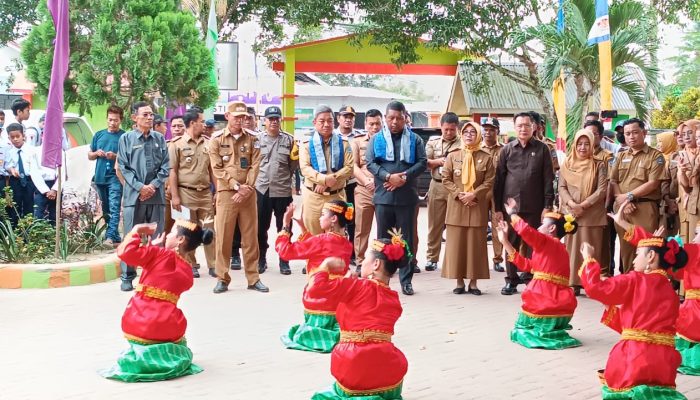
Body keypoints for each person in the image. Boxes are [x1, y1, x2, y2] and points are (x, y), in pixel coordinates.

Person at [100, 220, 212, 382]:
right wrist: (153, 250)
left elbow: (125, 252)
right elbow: (167, 274)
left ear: (180, 239)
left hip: (140, 321)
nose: (167, 235)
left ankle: (144, 358)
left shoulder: (158, 254)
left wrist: (137, 231)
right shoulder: (188, 271)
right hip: (169, 325)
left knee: (140, 326)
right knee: (179, 334)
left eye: (172, 233)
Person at [579, 234, 688, 399]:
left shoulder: (636, 280)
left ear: (651, 256)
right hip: (664, 361)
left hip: (635, 358)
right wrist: (612, 308)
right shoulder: (671, 293)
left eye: (638, 254)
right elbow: (643, 328)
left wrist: (589, 259)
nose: (634, 259)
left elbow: (595, 288)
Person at [309, 234, 410, 400]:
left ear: (376, 264)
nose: (361, 262)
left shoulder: (356, 286)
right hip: (388, 368)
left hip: (353, 365)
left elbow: (315, 289)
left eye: (365, 259)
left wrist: (325, 265)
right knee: (390, 370)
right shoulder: (393, 298)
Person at [496, 198, 581, 349]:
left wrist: (513, 214)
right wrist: (505, 242)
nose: (539, 228)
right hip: (557, 303)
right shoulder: (555, 248)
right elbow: (526, 265)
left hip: (546, 300)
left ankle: (543, 330)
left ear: (551, 228)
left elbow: (526, 232)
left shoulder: (548, 243)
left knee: (521, 331)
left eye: (542, 225)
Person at [366, 101, 427, 296]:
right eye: (390, 118)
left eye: (398, 118)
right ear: (385, 118)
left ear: (405, 118)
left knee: (405, 240)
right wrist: (387, 177)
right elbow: (370, 163)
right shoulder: (376, 139)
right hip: (383, 197)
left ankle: (406, 280)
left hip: (406, 197)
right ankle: (381, 279)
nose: (394, 122)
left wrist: (404, 178)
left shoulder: (415, 139)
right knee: (382, 241)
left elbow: (422, 163)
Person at [276, 201, 353, 353]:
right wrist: (303, 228)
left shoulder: (321, 241)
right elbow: (319, 248)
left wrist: (285, 224)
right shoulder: (346, 243)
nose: (319, 218)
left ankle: (315, 335)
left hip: (319, 298)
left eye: (323, 215)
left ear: (333, 219)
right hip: (338, 300)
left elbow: (285, 251)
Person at [209, 101, 268, 294]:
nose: (240, 121)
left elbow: (256, 164)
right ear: (227, 116)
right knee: (224, 237)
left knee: (250, 237)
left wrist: (247, 188)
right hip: (227, 194)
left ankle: (253, 278)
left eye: (243, 117)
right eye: (236, 117)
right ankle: (222, 278)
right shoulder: (216, 139)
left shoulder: (253, 138)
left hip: (248, 194)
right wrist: (235, 186)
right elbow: (217, 168)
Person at [494, 112, 555, 295]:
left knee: (533, 244)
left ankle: (530, 279)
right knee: (509, 241)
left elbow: (548, 179)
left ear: (534, 127)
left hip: (535, 206)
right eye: (519, 125)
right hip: (511, 207)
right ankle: (511, 280)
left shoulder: (543, 149)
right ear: (515, 127)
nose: (523, 129)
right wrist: (497, 208)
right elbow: (498, 180)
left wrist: (548, 205)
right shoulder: (507, 150)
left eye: (527, 125)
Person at [117, 102, 170, 292]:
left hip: (156, 197)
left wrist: (153, 186)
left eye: (151, 114)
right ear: (134, 118)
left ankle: (155, 275)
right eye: (145, 114)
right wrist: (140, 187)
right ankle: (127, 276)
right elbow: (123, 167)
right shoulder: (126, 139)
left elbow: (166, 167)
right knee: (132, 237)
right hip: (134, 197)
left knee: (157, 237)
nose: (150, 118)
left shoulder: (160, 139)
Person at [441, 121, 494, 295]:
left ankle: (473, 283)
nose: (469, 135)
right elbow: (446, 179)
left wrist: (474, 194)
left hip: (476, 205)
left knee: (475, 246)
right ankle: (458, 281)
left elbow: (489, 181)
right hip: (457, 205)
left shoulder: (486, 157)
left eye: (473, 132)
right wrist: (460, 194)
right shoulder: (453, 155)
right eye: (466, 132)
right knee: (457, 245)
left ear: (479, 135)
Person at [609, 118, 668, 272]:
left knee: (646, 247)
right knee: (626, 250)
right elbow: (613, 181)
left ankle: (646, 287)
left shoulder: (656, 156)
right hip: (623, 208)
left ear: (644, 132)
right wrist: (623, 201)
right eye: (627, 133)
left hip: (645, 208)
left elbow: (653, 183)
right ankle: (629, 283)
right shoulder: (621, 156)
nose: (631, 136)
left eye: (635, 132)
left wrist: (628, 196)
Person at [559, 130, 608, 295]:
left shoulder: (599, 164)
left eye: (587, 143)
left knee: (591, 248)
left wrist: (584, 205)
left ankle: (590, 283)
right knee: (572, 250)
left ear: (593, 144)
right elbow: (561, 187)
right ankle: (573, 282)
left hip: (592, 214)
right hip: (571, 213)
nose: (583, 147)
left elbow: (602, 190)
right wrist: (572, 204)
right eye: (579, 143)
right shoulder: (567, 163)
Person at [168, 110, 216, 278]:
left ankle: (213, 265)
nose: (204, 125)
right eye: (201, 121)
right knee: (187, 232)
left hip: (205, 194)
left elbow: (212, 170)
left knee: (209, 230)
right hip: (185, 193)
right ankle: (191, 264)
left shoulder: (208, 144)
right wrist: (175, 196)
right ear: (192, 123)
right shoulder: (176, 144)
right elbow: (172, 172)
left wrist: (216, 191)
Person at [256, 105, 299, 275]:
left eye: (276, 119)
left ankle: (284, 259)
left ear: (280, 120)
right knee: (261, 227)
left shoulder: (289, 140)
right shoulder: (256, 140)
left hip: (282, 190)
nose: (274, 122)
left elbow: (293, 166)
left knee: (285, 226)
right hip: (262, 189)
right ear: (264, 121)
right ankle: (261, 259)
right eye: (270, 119)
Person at [299, 105, 354, 235]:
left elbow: (349, 167)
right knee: (313, 236)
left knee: (337, 235)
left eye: (330, 121)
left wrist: (331, 180)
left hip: (337, 195)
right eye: (322, 121)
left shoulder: (344, 143)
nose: (326, 124)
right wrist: (323, 180)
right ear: (314, 122)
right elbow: (305, 168)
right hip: (314, 197)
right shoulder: (307, 144)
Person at [424, 112, 461, 272]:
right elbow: (424, 162)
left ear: (457, 128)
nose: (449, 133)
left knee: (455, 225)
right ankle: (432, 258)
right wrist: (438, 162)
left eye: (452, 130)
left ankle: (454, 258)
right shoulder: (433, 142)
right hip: (437, 185)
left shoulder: (463, 143)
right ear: (441, 127)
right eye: (446, 129)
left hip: (455, 187)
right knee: (435, 225)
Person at [351, 109, 382, 272]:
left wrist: (378, 181)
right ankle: (360, 261)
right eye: (371, 124)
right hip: (363, 189)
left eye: (378, 123)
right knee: (362, 227)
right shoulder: (357, 142)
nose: (375, 127)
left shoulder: (387, 140)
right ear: (365, 125)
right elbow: (353, 166)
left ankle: (382, 261)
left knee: (384, 227)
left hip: (384, 188)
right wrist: (367, 181)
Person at [90, 106, 126, 247]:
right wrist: (96, 153)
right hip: (100, 177)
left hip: (116, 177)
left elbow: (129, 158)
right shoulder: (99, 135)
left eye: (115, 120)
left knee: (115, 205)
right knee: (105, 208)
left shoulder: (124, 137)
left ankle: (109, 237)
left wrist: (115, 156)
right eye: (110, 120)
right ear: (107, 119)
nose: (112, 123)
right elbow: (89, 155)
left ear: (120, 120)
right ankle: (115, 235)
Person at [335, 105, 362, 264]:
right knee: (336, 217)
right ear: (338, 118)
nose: (348, 119)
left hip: (352, 184)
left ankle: (351, 253)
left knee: (352, 218)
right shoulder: (331, 135)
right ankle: (335, 250)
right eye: (345, 116)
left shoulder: (359, 137)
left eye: (351, 117)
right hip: (336, 185)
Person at [481, 117, 505, 272]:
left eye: (492, 129)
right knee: (479, 226)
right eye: (486, 129)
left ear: (498, 131)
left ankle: (497, 259)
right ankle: (479, 258)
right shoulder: (476, 149)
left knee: (498, 226)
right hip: (481, 192)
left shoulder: (504, 150)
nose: (488, 132)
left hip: (498, 192)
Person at [28, 130, 67, 225]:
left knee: (55, 215)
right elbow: (34, 172)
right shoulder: (36, 152)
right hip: (41, 186)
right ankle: (39, 237)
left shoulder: (60, 152)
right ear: (42, 136)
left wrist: (54, 189)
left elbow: (62, 172)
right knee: (38, 215)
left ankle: (53, 237)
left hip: (55, 185)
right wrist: (45, 190)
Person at [5, 123, 34, 226]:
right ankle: (15, 233)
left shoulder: (31, 150)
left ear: (23, 135)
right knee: (15, 207)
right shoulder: (10, 151)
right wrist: (11, 170)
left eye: (18, 136)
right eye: (12, 137)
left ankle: (29, 232)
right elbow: (8, 165)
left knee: (29, 207)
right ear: (9, 137)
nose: (15, 139)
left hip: (29, 180)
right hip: (15, 181)